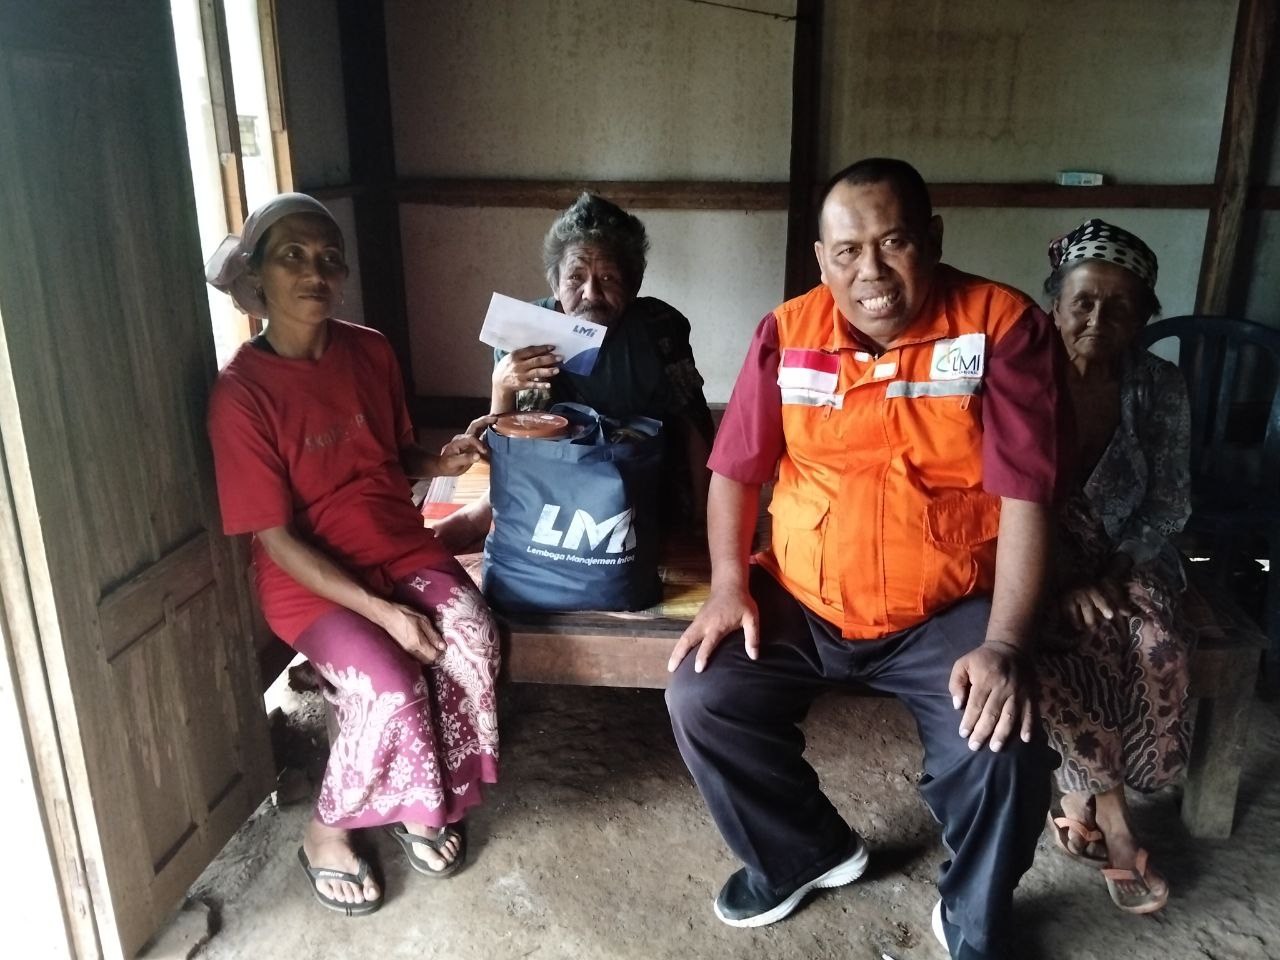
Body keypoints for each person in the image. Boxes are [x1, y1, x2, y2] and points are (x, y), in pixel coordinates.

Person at [664, 158, 1064, 960]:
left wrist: (1008, 644)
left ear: (933, 240)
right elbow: (734, 472)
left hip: (947, 613)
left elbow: (1028, 498)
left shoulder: (1004, 327)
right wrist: (730, 586)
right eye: (847, 251)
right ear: (820, 259)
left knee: (1000, 742)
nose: (870, 272)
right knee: (701, 693)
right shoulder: (787, 331)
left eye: (895, 243)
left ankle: (974, 915)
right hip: (806, 600)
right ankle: (803, 854)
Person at [205, 194, 500, 916]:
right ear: (257, 279)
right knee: (388, 684)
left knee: (473, 638)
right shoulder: (240, 395)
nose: (316, 271)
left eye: (329, 257)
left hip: (395, 545)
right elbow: (273, 538)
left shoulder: (369, 349)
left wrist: (439, 458)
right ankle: (326, 829)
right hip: (308, 579)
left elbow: (395, 456)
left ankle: (418, 799)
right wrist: (382, 614)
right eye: (292, 256)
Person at [1037, 219, 1192, 915]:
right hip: (1030, 560)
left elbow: (1169, 500)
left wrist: (1117, 568)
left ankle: (1081, 799)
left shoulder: (1159, 387)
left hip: (1132, 553)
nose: (1100, 318)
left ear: (1144, 317)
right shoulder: (1017, 378)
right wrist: (1059, 578)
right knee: (1078, 641)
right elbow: (984, 496)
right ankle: (1118, 821)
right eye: (1085, 302)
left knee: (1152, 638)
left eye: (1122, 306)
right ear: (1055, 304)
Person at [432, 193, 714, 553]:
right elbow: (508, 448)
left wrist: (706, 517)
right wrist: (501, 385)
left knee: (651, 526)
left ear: (632, 287)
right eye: (575, 277)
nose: (590, 293)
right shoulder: (526, 330)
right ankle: (486, 510)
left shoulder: (659, 328)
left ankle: (487, 512)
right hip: (555, 473)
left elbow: (695, 423)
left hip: (637, 474)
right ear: (555, 284)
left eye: (608, 277)